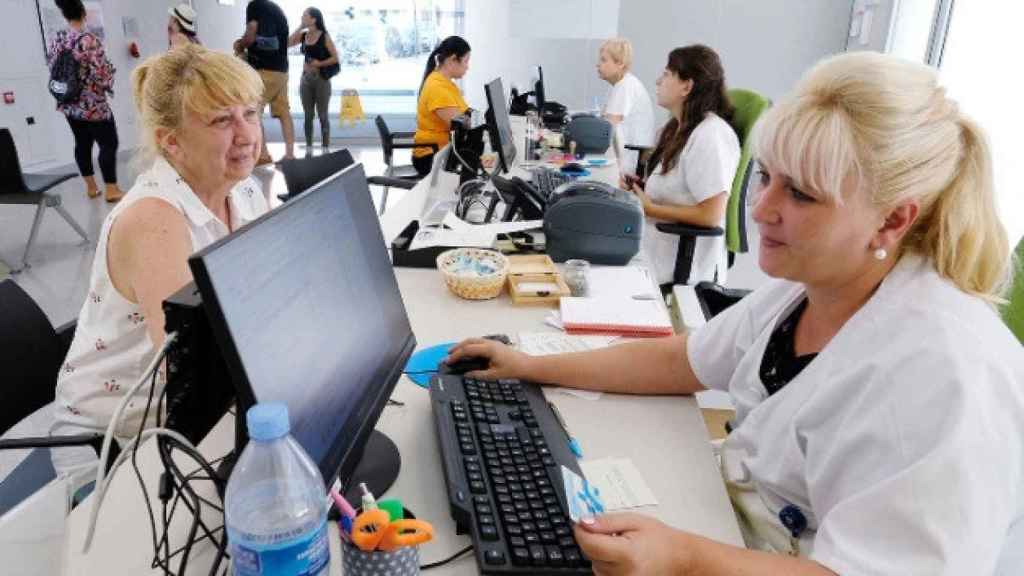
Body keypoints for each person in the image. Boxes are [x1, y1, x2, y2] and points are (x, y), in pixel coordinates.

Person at [445, 51, 1024, 575]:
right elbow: (681, 360)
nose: (762, 208)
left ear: (894, 220)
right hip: (746, 534)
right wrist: (531, 365)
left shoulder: (946, 379)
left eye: (801, 195)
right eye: (767, 177)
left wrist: (685, 557)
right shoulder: (813, 284)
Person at [45, 44, 270, 479]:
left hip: (190, 416)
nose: (246, 135)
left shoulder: (242, 191)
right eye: (223, 120)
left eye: (250, 113)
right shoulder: (155, 220)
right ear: (171, 141)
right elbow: (191, 372)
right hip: (114, 439)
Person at [624, 45, 740, 286]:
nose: (658, 81)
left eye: (666, 74)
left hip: (678, 262)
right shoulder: (677, 129)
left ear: (687, 86)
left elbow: (711, 214)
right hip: (653, 244)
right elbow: (678, 188)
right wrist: (641, 187)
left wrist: (651, 208)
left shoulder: (711, 136)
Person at [48, 0, 123, 202]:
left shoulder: (57, 38)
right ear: (83, 13)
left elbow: (52, 67)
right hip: (93, 106)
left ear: (65, 15)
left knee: (82, 144)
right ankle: (112, 189)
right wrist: (110, 75)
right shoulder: (89, 39)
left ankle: (91, 188)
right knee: (109, 143)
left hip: (69, 104)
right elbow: (102, 75)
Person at [236, 0, 294, 163]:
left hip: (265, 70)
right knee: (283, 112)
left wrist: (241, 44)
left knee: (253, 108)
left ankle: (263, 155)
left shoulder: (254, 6)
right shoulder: (275, 8)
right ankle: (290, 155)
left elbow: (253, 33)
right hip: (282, 70)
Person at [412, 36, 471, 176]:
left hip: (442, 150)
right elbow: (461, 124)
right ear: (452, 60)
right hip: (431, 156)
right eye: (466, 61)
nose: (468, 66)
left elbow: (464, 113)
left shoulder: (445, 83)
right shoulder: (437, 87)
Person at [597, 38, 655, 176]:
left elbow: (606, 128)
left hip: (628, 162)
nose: (597, 64)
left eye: (604, 60)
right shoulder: (621, 85)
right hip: (625, 157)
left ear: (620, 63)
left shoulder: (625, 86)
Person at [287, 7, 339, 155]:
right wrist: (300, 27)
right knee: (308, 115)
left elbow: (335, 58)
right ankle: (309, 147)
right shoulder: (304, 36)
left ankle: (325, 148)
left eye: (305, 15)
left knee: (322, 114)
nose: (302, 17)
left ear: (314, 19)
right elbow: (287, 43)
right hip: (306, 79)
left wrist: (319, 64)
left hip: (321, 79)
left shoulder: (324, 36)